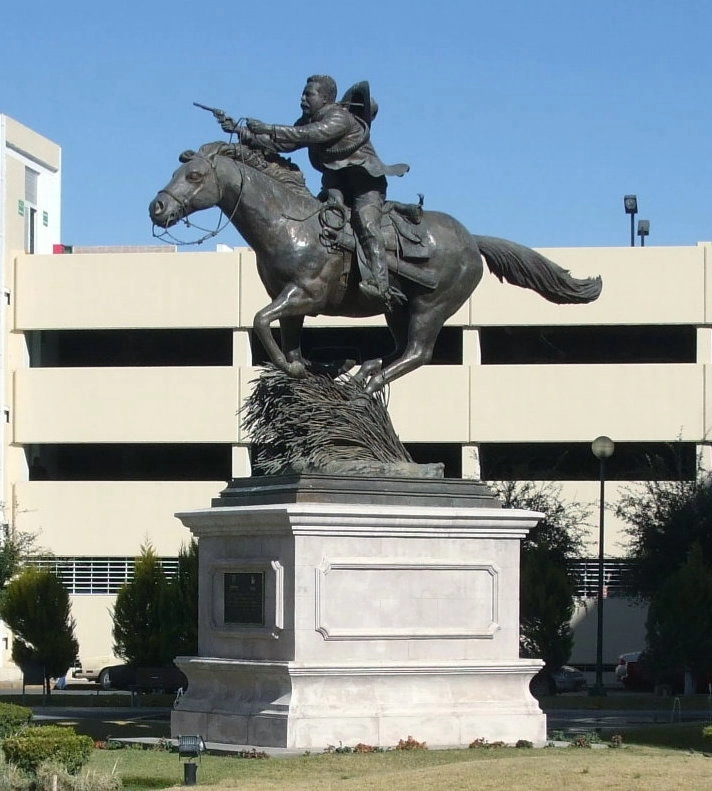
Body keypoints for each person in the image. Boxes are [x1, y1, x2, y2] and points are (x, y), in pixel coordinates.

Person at [221, 75, 409, 307]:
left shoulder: (340, 117)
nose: (302, 98)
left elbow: (309, 135)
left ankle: (380, 284)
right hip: (336, 185)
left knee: (365, 222)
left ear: (326, 98)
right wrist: (241, 132)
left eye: (308, 94)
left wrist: (268, 127)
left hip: (365, 185)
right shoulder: (308, 119)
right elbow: (284, 144)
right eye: (303, 93)